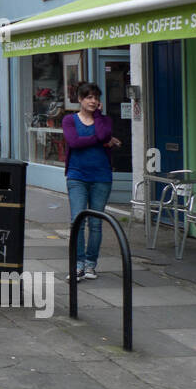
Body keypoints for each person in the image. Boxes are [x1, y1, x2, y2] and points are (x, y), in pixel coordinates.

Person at [63, 81, 122, 280]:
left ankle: (90, 264)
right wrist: (102, 140)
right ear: (80, 99)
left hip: (101, 177)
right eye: (88, 97)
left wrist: (99, 123)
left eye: (96, 98)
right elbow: (74, 142)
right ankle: (77, 264)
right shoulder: (69, 120)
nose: (93, 101)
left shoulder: (104, 120)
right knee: (77, 220)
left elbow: (104, 133)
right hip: (77, 176)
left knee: (95, 224)